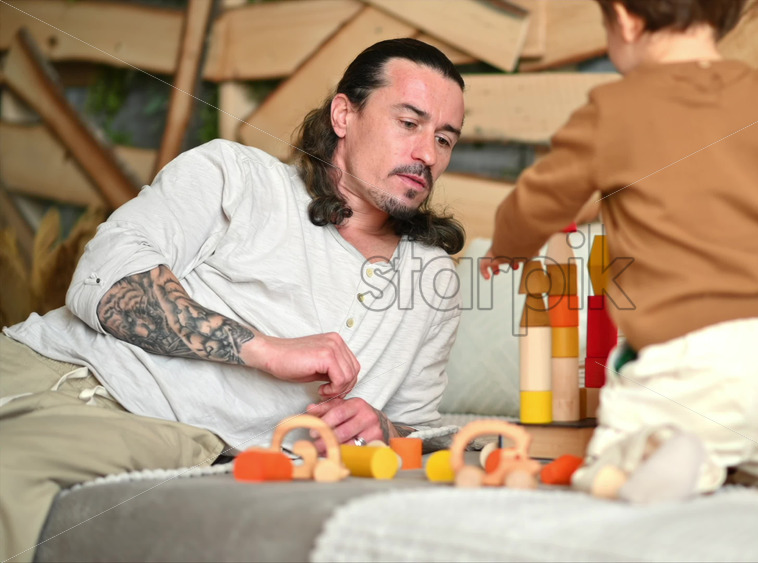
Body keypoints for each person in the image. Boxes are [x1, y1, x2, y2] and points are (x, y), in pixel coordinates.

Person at [0, 38, 466, 562]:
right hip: (41, 363)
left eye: (445, 139)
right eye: (409, 123)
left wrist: (381, 427)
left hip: (140, 424)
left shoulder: (432, 280)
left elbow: (420, 433)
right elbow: (103, 280)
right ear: (344, 114)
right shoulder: (238, 177)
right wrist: (266, 349)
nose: (427, 154)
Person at [481, 0, 758, 503]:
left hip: (682, 358)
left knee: (615, 451)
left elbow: (538, 200)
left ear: (626, 18)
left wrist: (508, 248)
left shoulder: (614, 110)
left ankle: (667, 450)